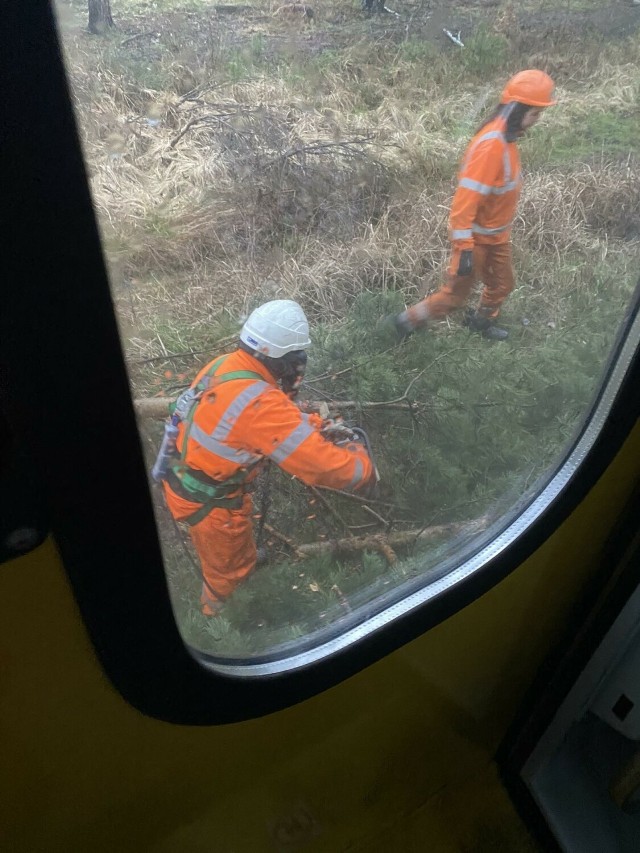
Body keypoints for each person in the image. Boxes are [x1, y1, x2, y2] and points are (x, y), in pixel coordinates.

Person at [158, 300, 376, 615]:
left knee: (235, 553)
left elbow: (268, 421)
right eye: (296, 362)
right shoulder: (259, 403)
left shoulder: (228, 365)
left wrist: (317, 426)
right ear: (283, 362)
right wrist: (361, 463)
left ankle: (242, 563)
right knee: (225, 579)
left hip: (188, 477)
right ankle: (220, 626)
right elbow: (321, 466)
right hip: (210, 503)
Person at [390, 69, 557, 342]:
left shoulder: (507, 141)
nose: (537, 120)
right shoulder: (491, 146)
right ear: (516, 109)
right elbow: (463, 205)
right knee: (453, 297)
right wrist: (464, 248)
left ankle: (480, 324)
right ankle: (402, 323)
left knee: (502, 285)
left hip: (496, 237)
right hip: (475, 241)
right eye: (535, 113)